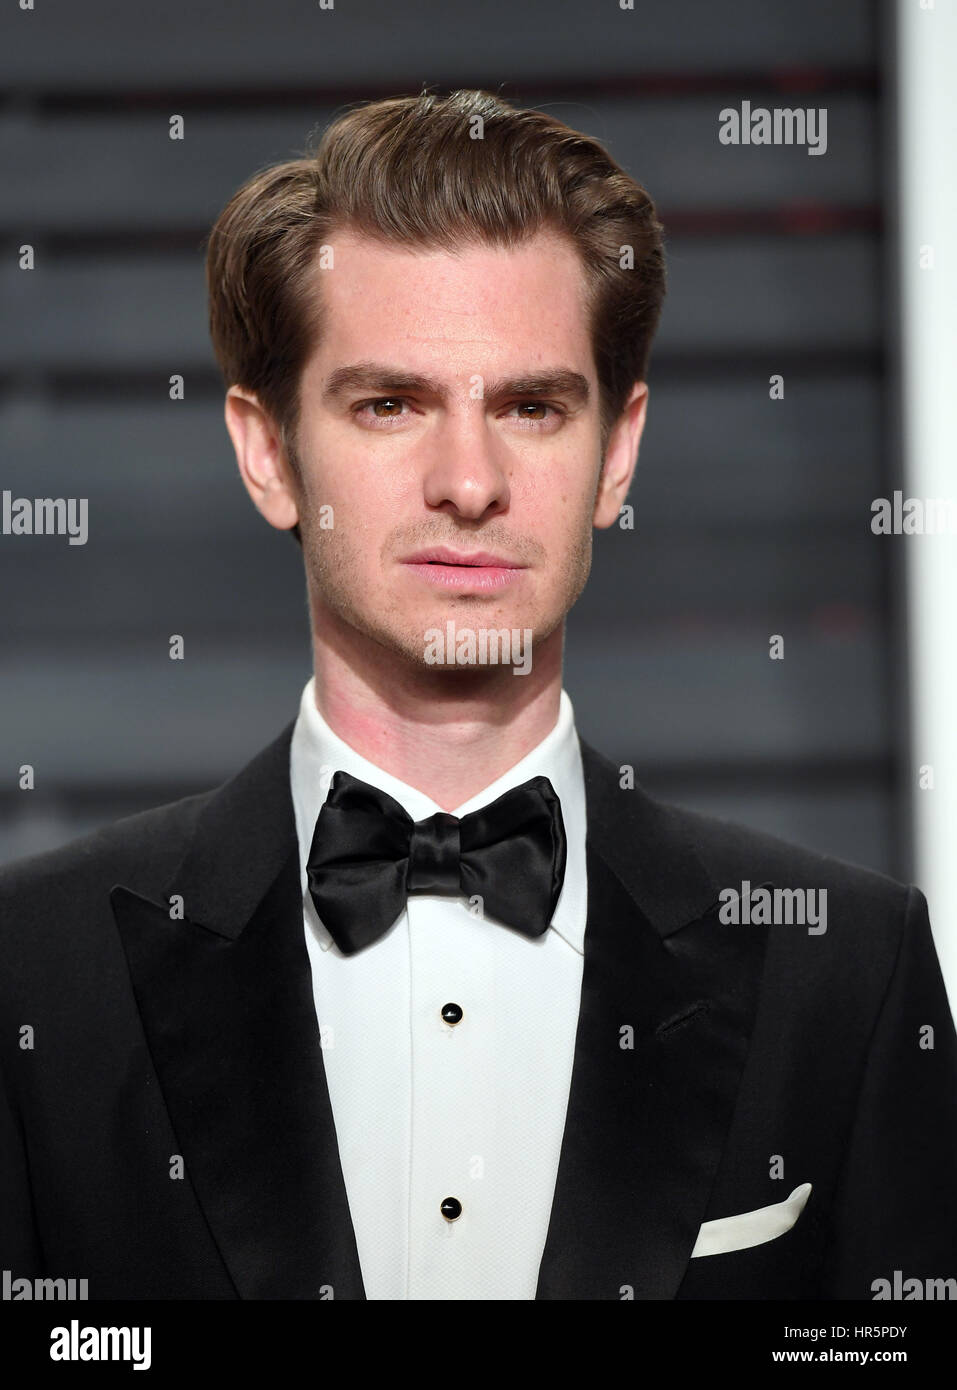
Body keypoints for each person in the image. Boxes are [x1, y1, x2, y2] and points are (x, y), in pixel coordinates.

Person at [2, 90, 955, 1302]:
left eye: (533, 407)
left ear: (617, 453)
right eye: (391, 403)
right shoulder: (35, 975)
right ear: (266, 451)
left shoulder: (847, 977)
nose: (469, 481)